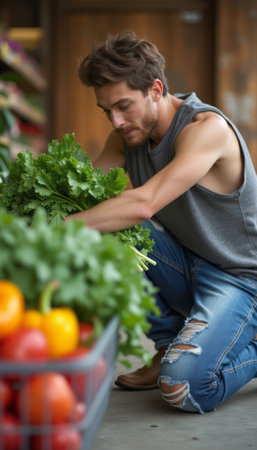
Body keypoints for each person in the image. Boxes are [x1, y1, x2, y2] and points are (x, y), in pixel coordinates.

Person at [65, 30, 257, 413]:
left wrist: (58, 229)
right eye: (106, 110)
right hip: (191, 265)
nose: (116, 121)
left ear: (155, 89)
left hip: (244, 280)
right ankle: (168, 344)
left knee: (183, 387)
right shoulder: (127, 137)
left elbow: (143, 204)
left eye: (123, 106)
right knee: (109, 229)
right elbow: (85, 197)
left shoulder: (205, 130)